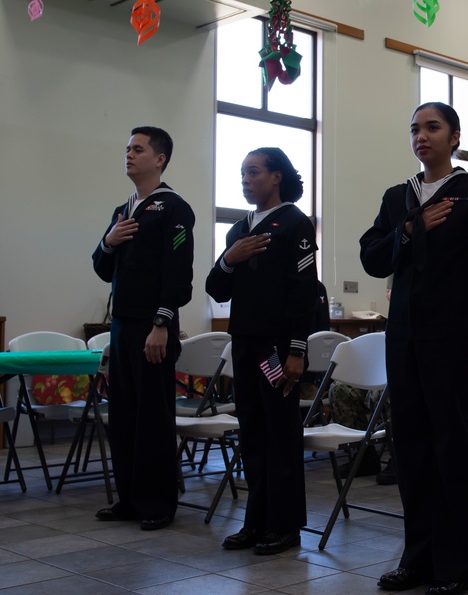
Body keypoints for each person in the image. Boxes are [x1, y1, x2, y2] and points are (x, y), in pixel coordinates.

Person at [360, 101, 468, 595]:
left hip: (455, 338)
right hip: (403, 337)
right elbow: (372, 256)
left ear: (455, 136)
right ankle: (416, 558)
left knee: (450, 447)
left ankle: (454, 565)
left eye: (433, 127)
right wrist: (408, 228)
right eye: (414, 129)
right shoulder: (396, 197)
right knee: (411, 448)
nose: (422, 136)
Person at [206, 147, 319, 555]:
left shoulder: (294, 223)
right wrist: (228, 260)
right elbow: (216, 288)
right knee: (252, 432)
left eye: (253, 172)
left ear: (276, 177)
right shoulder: (237, 231)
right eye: (242, 173)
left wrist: (296, 350)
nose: (245, 179)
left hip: (277, 348)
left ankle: (285, 525)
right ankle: (256, 521)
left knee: (280, 434)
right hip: (245, 343)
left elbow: (303, 293)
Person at [91, 127, 193, 531]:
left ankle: (158, 502)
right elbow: (101, 269)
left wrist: (162, 323)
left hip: (154, 327)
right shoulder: (123, 210)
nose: (129, 155)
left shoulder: (174, 208)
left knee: (153, 416)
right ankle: (129, 498)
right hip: (121, 326)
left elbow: (178, 275)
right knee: (124, 415)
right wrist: (108, 241)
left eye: (138, 149)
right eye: (127, 149)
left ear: (160, 158)